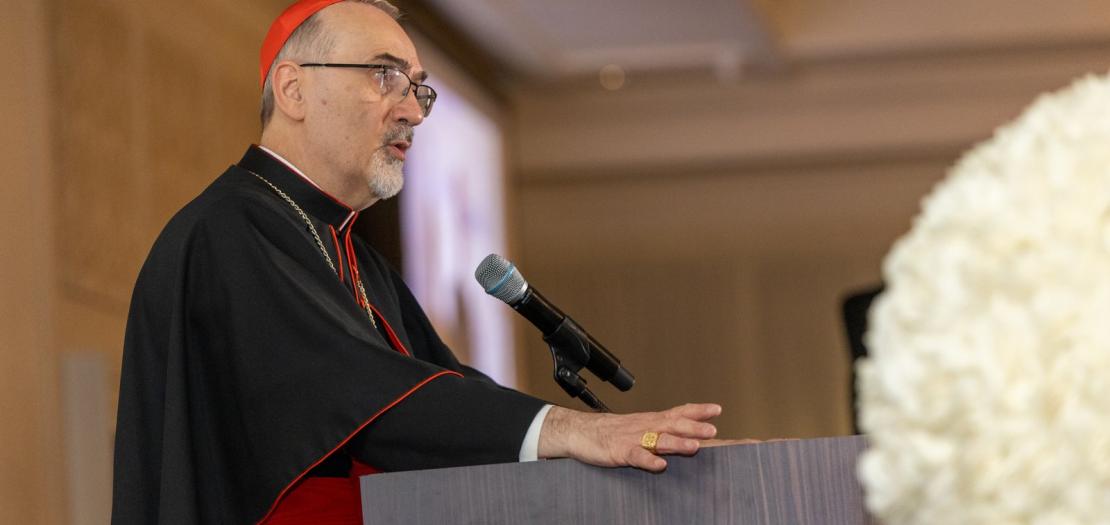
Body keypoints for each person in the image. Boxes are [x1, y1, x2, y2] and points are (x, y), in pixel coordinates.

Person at [111, 1, 721, 523]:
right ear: (294, 90)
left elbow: (446, 392)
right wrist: (568, 432)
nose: (414, 112)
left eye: (418, 88)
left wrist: (629, 444)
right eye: (385, 77)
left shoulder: (353, 253)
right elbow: (358, 396)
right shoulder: (230, 231)